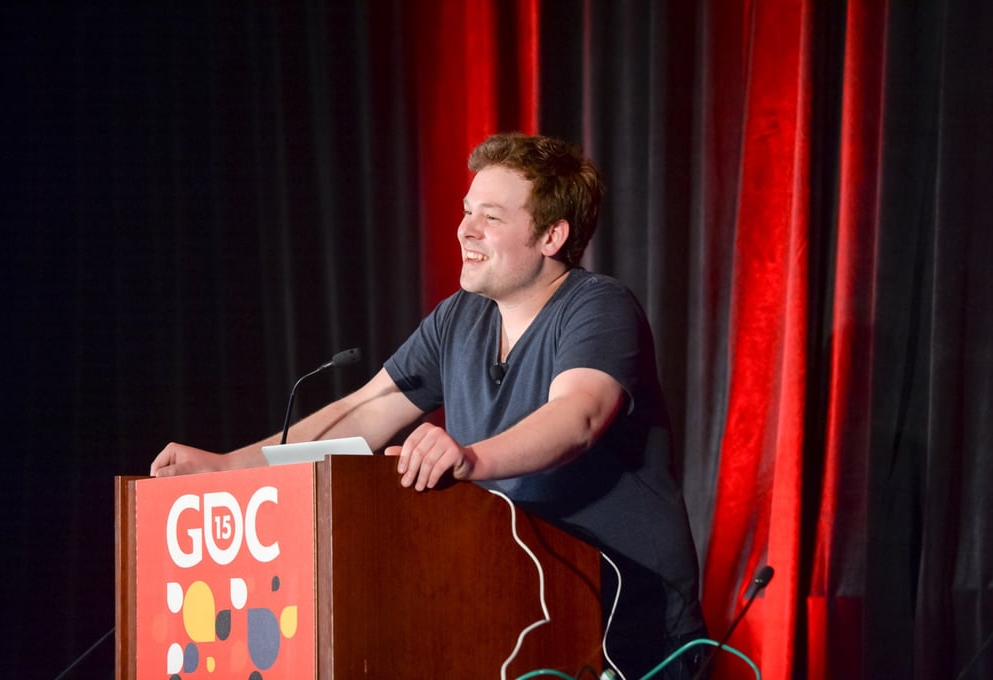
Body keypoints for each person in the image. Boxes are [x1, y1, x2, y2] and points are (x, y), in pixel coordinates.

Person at [151, 132, 707, 679]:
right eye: (467, 211)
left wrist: (469, 459)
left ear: (551, 236)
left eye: (491, 217)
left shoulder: (598, 305)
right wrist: (230, 469)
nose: (466, 229)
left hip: (631, 629)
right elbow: (366, 412)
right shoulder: (457, 318)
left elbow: (579, 415)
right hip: (519, 620)